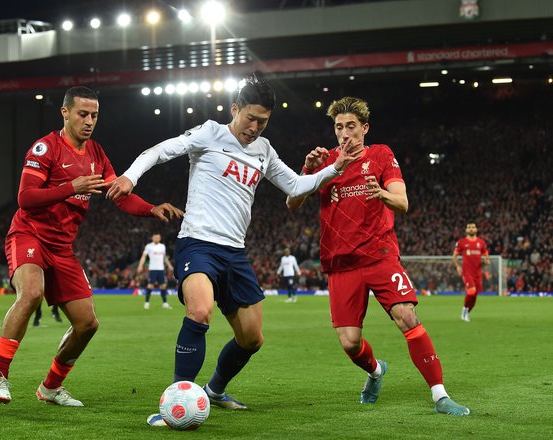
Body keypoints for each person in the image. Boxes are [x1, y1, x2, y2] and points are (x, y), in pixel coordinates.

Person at [106, 75, 362, 426]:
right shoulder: (211, 132)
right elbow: (160, 150)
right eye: (250, 119)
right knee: (200, 311)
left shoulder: (264, 150)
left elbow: (296, 186)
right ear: (235, 109)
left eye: (263, 122)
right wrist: (130, 178)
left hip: (235, 253)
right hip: (198, 242)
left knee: (252, 338)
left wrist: (335, 168)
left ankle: (213, 390)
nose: (255, 128)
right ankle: (177, 400)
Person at [0, 86, 183, 406]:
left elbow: (120, 194)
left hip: (63, 249)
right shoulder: (45, 148)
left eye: (95, 116)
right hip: (29, 235)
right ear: (65, 113)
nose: (89, 121)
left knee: (87, 323)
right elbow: (25, 199)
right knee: (31, 293)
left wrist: (151, 208)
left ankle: (50, 388)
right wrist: (70, 187)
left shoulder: (96, 155)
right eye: (83, 114)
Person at [286, 96, 470, 416]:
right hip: (341, 263)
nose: (344, 134)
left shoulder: (381, 154)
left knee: (407, 318)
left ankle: (440, 396)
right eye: (339, 127)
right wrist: (308, 170)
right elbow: (292, 203)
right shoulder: (327, 161)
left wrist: (381, 193)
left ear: (364, 128)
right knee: (350, 343)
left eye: (351, 127)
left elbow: (402, 202)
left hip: (379, 254)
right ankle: (376, 372)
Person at [453, 222, 490, 322]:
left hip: (477, 273)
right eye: (469, 227)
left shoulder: (481, 243)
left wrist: (486, 261)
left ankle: (466, 312)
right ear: (466, 230)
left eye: (473, 227)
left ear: (476, 229)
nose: (471, 229)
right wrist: (458, 266)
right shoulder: (462, 242)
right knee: (471, 291)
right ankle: (464, 312)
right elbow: (455, 256)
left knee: (474, 297)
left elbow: (486, 256)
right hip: (467, 272)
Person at [137, 233, 174, 310]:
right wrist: (140, 265)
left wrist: (169, 265)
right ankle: (147, 303)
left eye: (158, 237)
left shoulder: (162, 246)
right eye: (155, 237)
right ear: (152, 238)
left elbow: (164, 258)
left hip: (161, 269)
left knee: (163, 286)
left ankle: (165, 303)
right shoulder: (149, 246)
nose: (156, 238)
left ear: (160, 238)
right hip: (153, 269)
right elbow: (143, 256)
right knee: (150, 285)